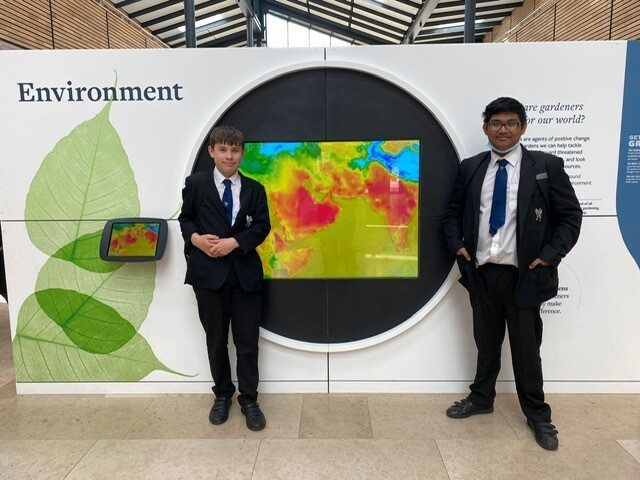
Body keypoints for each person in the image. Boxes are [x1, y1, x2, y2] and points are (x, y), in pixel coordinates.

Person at [442, 97, 582, 451]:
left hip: (525, 276)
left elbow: (570, 217)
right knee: (486, 343)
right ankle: (481, 398)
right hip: (482, 272)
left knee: (526, 350)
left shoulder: (546, 166)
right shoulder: (471, 168)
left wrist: (549, 257)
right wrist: (458, 246)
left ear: (523, 127)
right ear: (485, 128)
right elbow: (452, 213)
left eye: (511, 123)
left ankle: (538, 416)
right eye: (496, 123)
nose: (503, 129)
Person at [179, 125, 271, 431]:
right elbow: (186, 219)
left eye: (234, 150)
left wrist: (235, 242)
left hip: (245, 276)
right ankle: (222, 395)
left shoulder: (255, 189)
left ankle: (249, 399)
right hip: (208, 276)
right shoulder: (196, 184)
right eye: (223, 150)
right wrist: (196, 240)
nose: (229, 156)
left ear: (242, 154)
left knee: (247, 342)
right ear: (212, 152)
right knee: (216, 340)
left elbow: (262, 226)